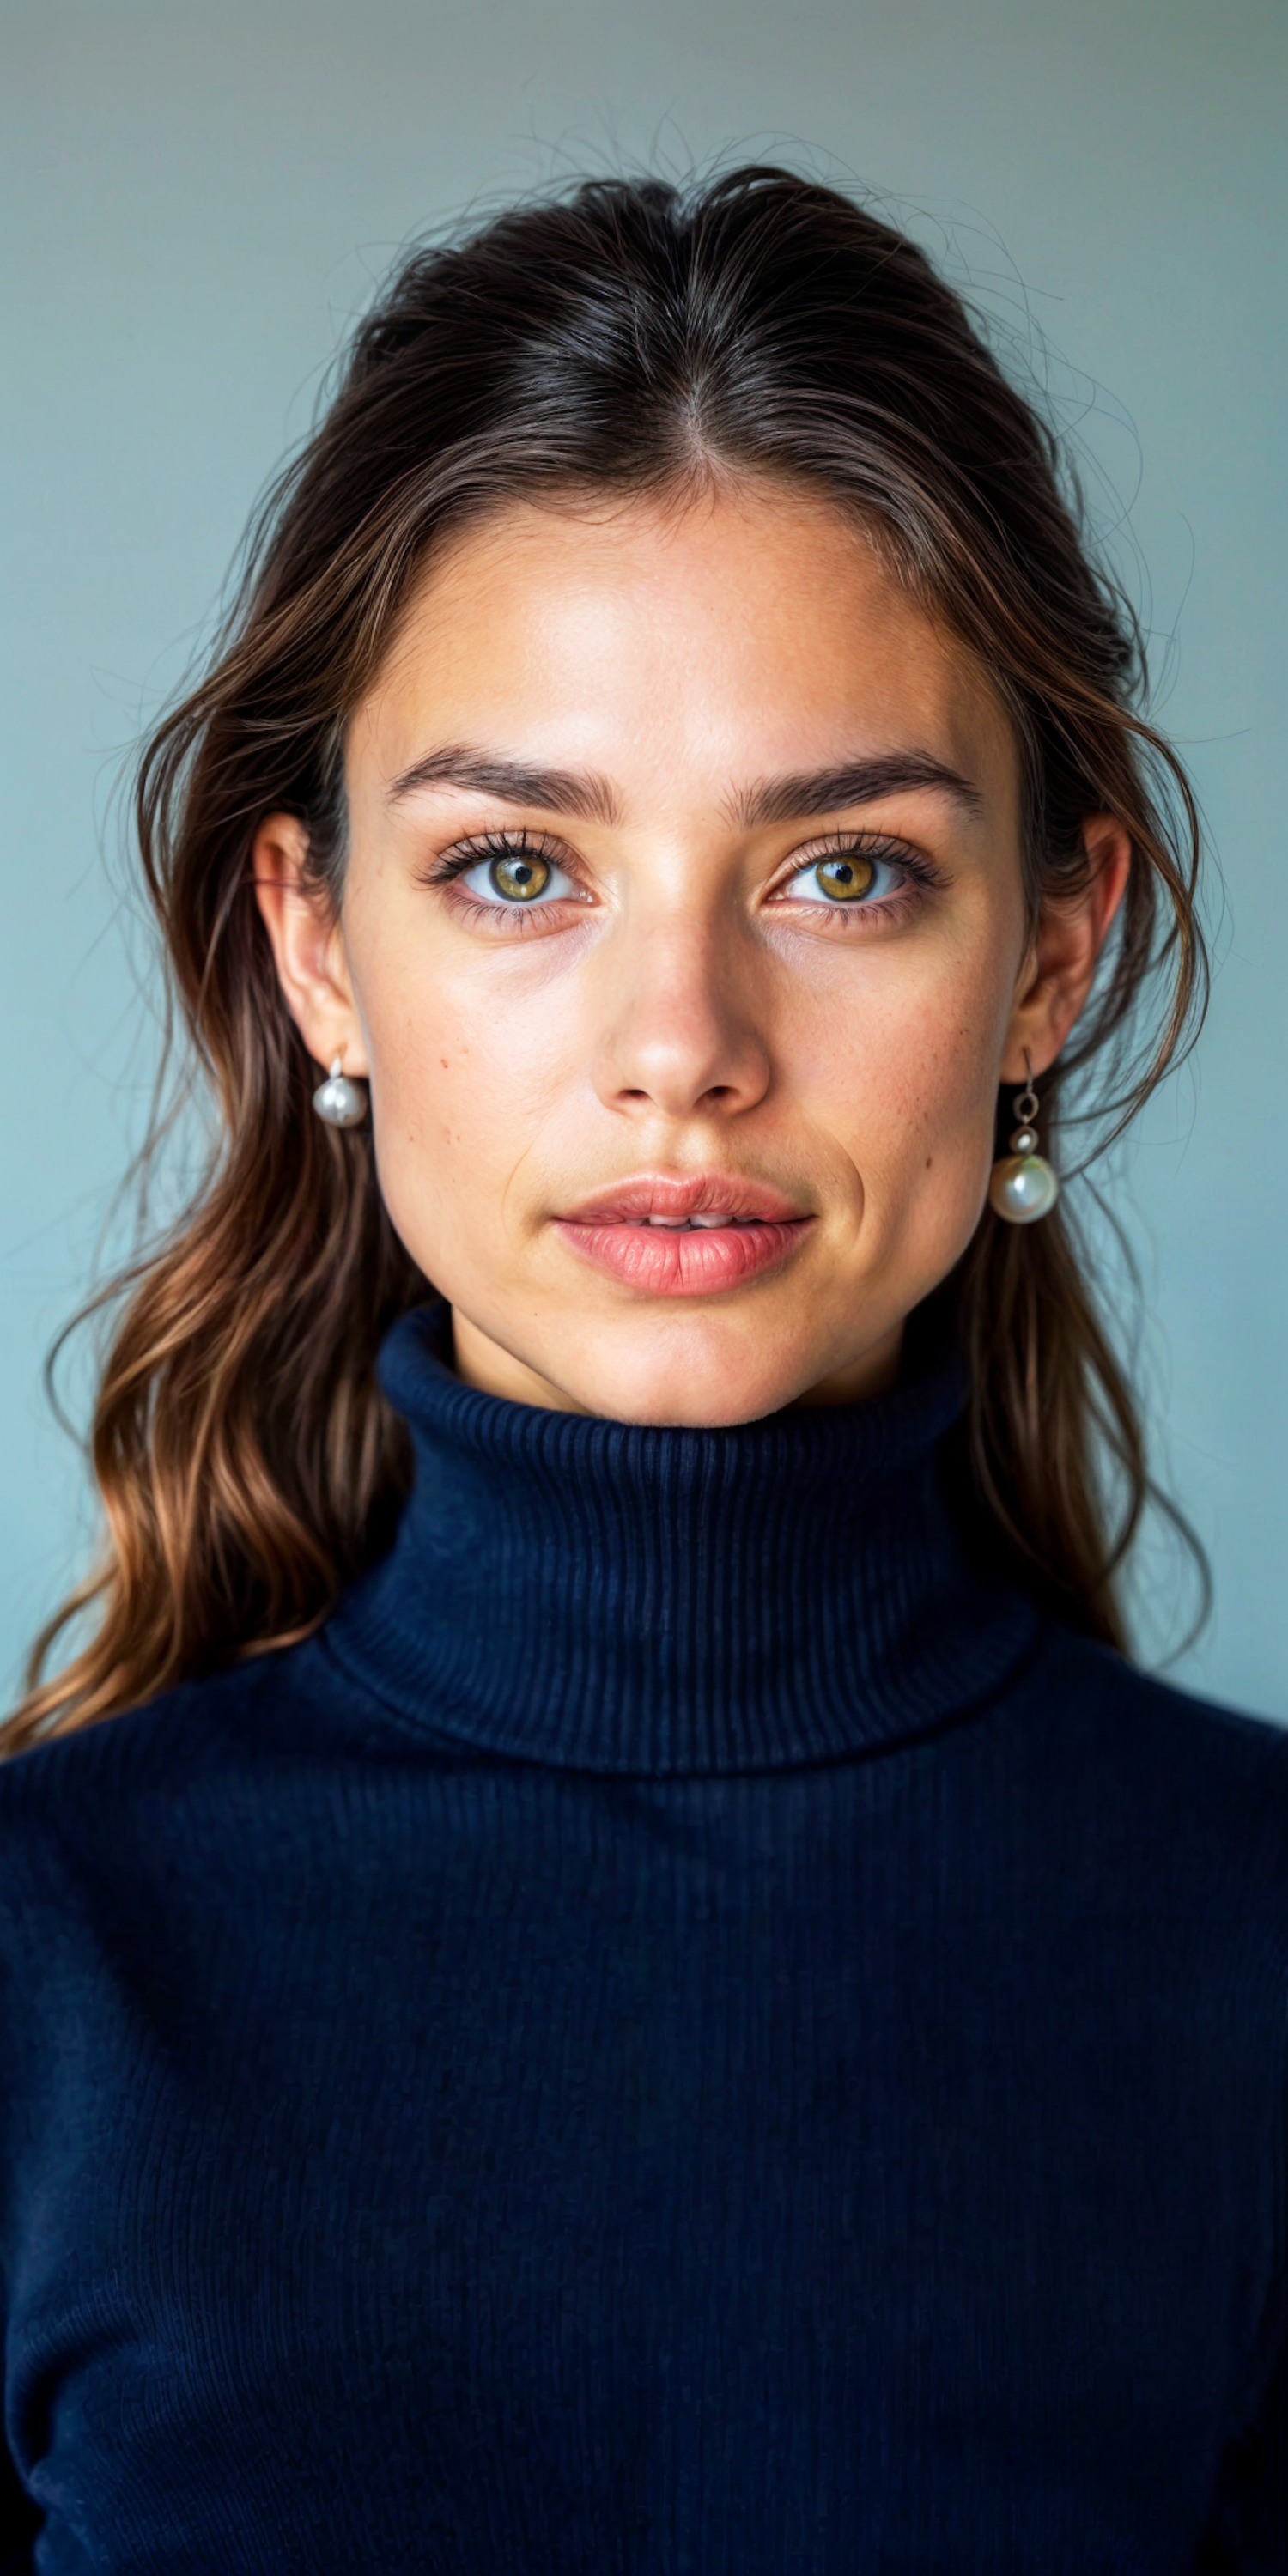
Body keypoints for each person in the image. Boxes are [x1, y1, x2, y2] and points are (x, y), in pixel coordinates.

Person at [0, 166, 1283, 2572]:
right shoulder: (47, 1972)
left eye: (842, 872)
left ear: (1047, 959)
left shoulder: (1249, 1949)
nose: (679, 1047)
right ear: (320, 954)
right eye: (515, 868)